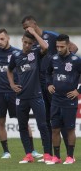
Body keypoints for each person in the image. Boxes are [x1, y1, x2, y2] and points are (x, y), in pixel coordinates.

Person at [0, 28, 42, 159]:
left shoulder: (17, 53)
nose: (0, 42)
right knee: (0, 122)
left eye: (2, 39)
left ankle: (32, 151)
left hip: (15, 92)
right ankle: (6, 151)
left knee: (23, 122)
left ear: (8, 38)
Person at [21, 15, 78, 159]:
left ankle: (69, 154)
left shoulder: (51, 36)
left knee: (61, 120)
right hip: (41, 83)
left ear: (34, 24)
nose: (26, 30)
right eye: (24, 28)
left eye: (27, 26)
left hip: (55, 83)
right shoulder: (32, 43)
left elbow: (74, 48)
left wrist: (63, 67)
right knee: (45, 119)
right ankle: (49, 154)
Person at [7, 30, 51, 164]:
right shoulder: (16, 56)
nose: (27, 45)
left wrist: (34, 33)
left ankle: (48, 154)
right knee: (22, 126)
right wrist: (12, 84)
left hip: (36, 96)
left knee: (42, 125)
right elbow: (9, 70)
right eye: (25, 42)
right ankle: (28, 154)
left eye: (30, 43)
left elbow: (46, 47)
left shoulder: (36, 53)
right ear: (21, 40)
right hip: (21, 97)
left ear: (33, 44)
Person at [45, 34, 81, 165]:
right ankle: (56, 157)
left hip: (69, 101)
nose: (59, 49)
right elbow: (47, 73)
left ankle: (70, 157)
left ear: (68, 45)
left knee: (70, 129)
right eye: (57, 46)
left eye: (62, 46)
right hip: (55, 100)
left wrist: (78, 91)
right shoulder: (53, 59)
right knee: (55, 129)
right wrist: (49, 84)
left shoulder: (76, 60)